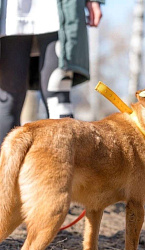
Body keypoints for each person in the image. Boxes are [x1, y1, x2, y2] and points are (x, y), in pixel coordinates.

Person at [0, 0, 104, 145]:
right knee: (8, 101)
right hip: (10, 11)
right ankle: (4, 166)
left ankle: (67, 166)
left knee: (58, 100)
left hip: (57, 11)